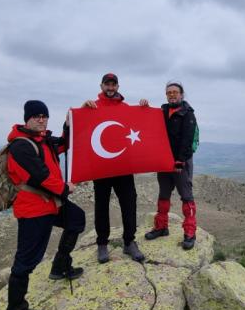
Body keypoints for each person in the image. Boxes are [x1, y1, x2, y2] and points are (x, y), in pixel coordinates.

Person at [5, 100, 86, 310]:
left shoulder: (43, 140)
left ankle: (60, 266)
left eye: (44, 116)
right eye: (36, 116)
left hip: (50, 205)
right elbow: (39, 176)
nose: (41, 119)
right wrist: (64, 188)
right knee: (25, 262)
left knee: (76, 219)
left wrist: (69, 124)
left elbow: (64, 144)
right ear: (26, 118)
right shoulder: (20, 146)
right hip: (33, 211)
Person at [82, 72, 148, 263]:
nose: (110, 88)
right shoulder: (92, 107)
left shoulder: (126, 108)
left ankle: (129, 242)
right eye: (107, 84)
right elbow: (77, 129)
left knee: (129, 203)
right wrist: (81, 110)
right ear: (101, 86)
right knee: (101, 205)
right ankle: (102, 243)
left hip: (123, 167)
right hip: (101, 167)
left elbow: (142, 126)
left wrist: (143, 109)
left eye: (114, 84)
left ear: (118, 87)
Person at [145, 81, 199, 249]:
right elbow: (148, 125)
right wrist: (144, 108)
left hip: (180, 163)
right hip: (164, 162)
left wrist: (180, 161)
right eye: (169, 92)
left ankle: (190, 232)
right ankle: (161, 227)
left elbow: (188, 139)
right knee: (163, 195)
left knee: (186, 196)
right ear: (166, 95)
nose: (172, 95)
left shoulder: (188, 114)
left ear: (181, 94)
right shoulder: (162, 112)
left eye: (175, 92)